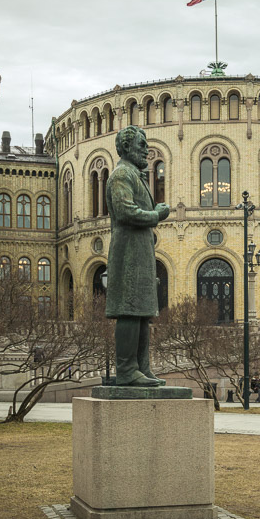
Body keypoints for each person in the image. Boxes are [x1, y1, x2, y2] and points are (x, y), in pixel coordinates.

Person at [105, 125, 170, 387]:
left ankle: (142, 367)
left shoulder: (135, 175)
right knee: (129, 309)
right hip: (128, 252)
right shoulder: (121, 175)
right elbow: (125, 212)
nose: (146, 149)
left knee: (143, 311)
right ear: (126, 147)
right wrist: (156, 215)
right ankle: (126, 370)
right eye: (141, 144)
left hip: (140, 250)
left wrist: (153, 213)